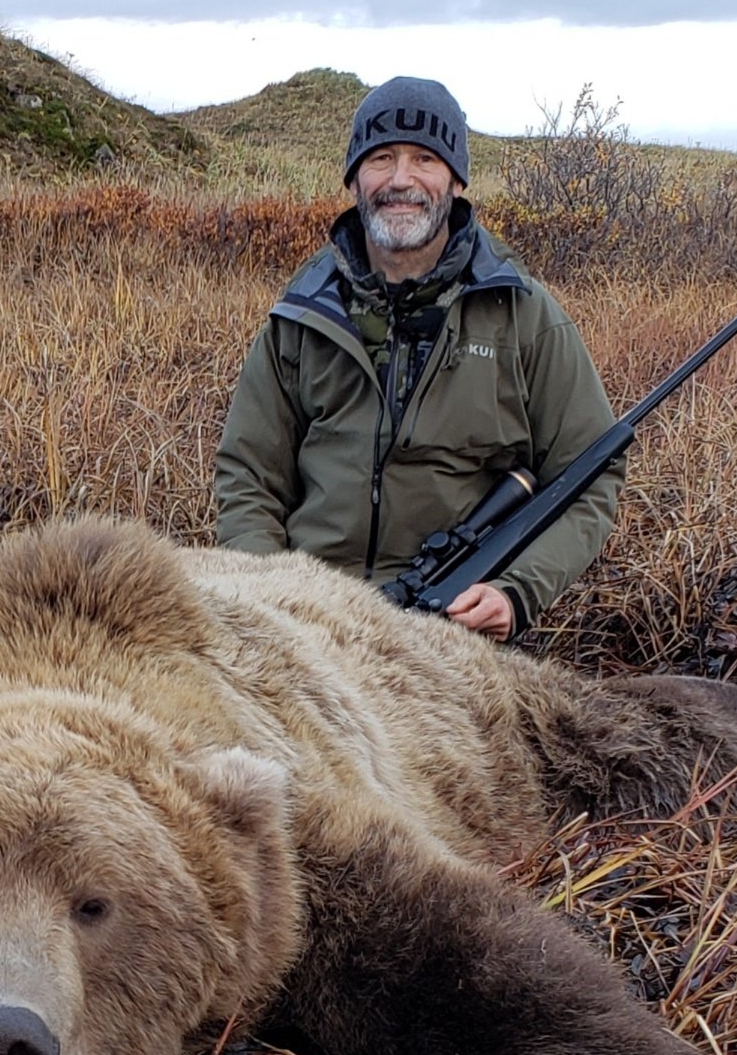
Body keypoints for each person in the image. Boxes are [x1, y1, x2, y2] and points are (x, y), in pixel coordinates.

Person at [213, 76, 622, 640]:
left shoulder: (525, 316)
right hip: (307, 621)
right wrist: (266, 600)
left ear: (455, 180)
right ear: (355, 178)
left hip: (454, 632)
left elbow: (590, 478)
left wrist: (515, 591)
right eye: (381, 158)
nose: (400, 180)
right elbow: (248, 477)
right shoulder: (301, 316)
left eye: (425, 159)